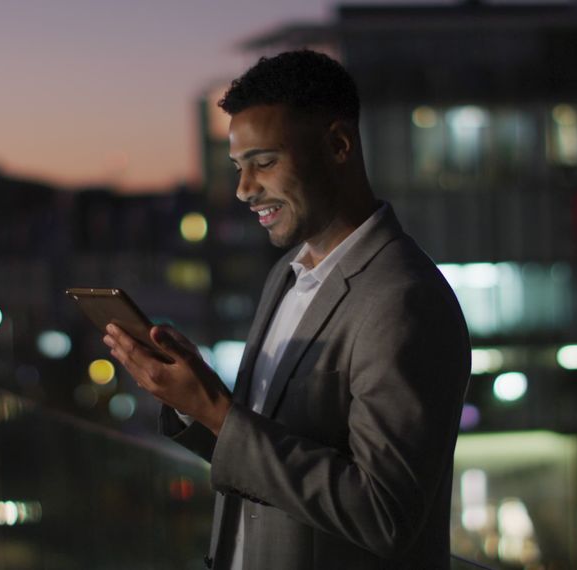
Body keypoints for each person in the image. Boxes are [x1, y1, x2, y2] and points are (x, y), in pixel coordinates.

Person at [103, 49, 471, 570]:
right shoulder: (286, 276)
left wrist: (215, 410)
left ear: (338, 145)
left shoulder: (405, 299)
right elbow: (262, 465)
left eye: (265, 162)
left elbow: (386, 515)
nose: (244, 189)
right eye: (238, 167)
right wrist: (195, 397)